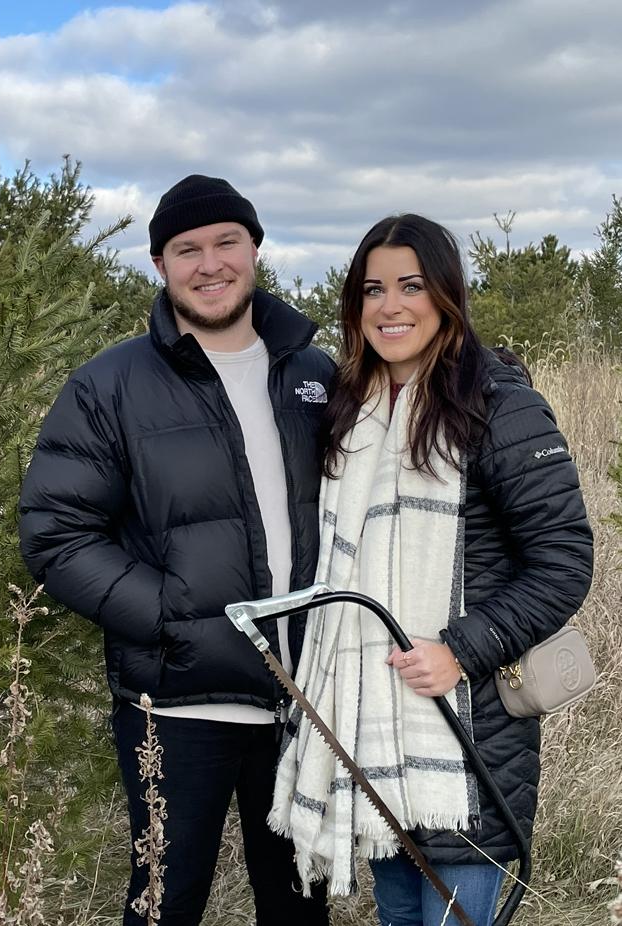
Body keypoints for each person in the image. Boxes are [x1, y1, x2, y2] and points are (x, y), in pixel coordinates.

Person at [18, 175, 335, 925]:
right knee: (165, 905)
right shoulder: (109, 385)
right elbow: (55, 532)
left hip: (307, 699)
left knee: (302, 907)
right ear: (160, 265)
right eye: (186, 249)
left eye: (227, 241)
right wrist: (169, 616)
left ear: (255, 250)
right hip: (177, 703)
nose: (210, 263)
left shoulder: (317, 375)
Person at [268, 214, 593, 926]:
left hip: (462, 729)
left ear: (446, 295)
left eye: (411, 286)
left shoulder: (499, 407)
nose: (390, 307)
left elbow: (565, 559)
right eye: (373, 289)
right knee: (399, 913)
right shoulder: (355, 418)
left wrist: (462, 651)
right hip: (373, 723)